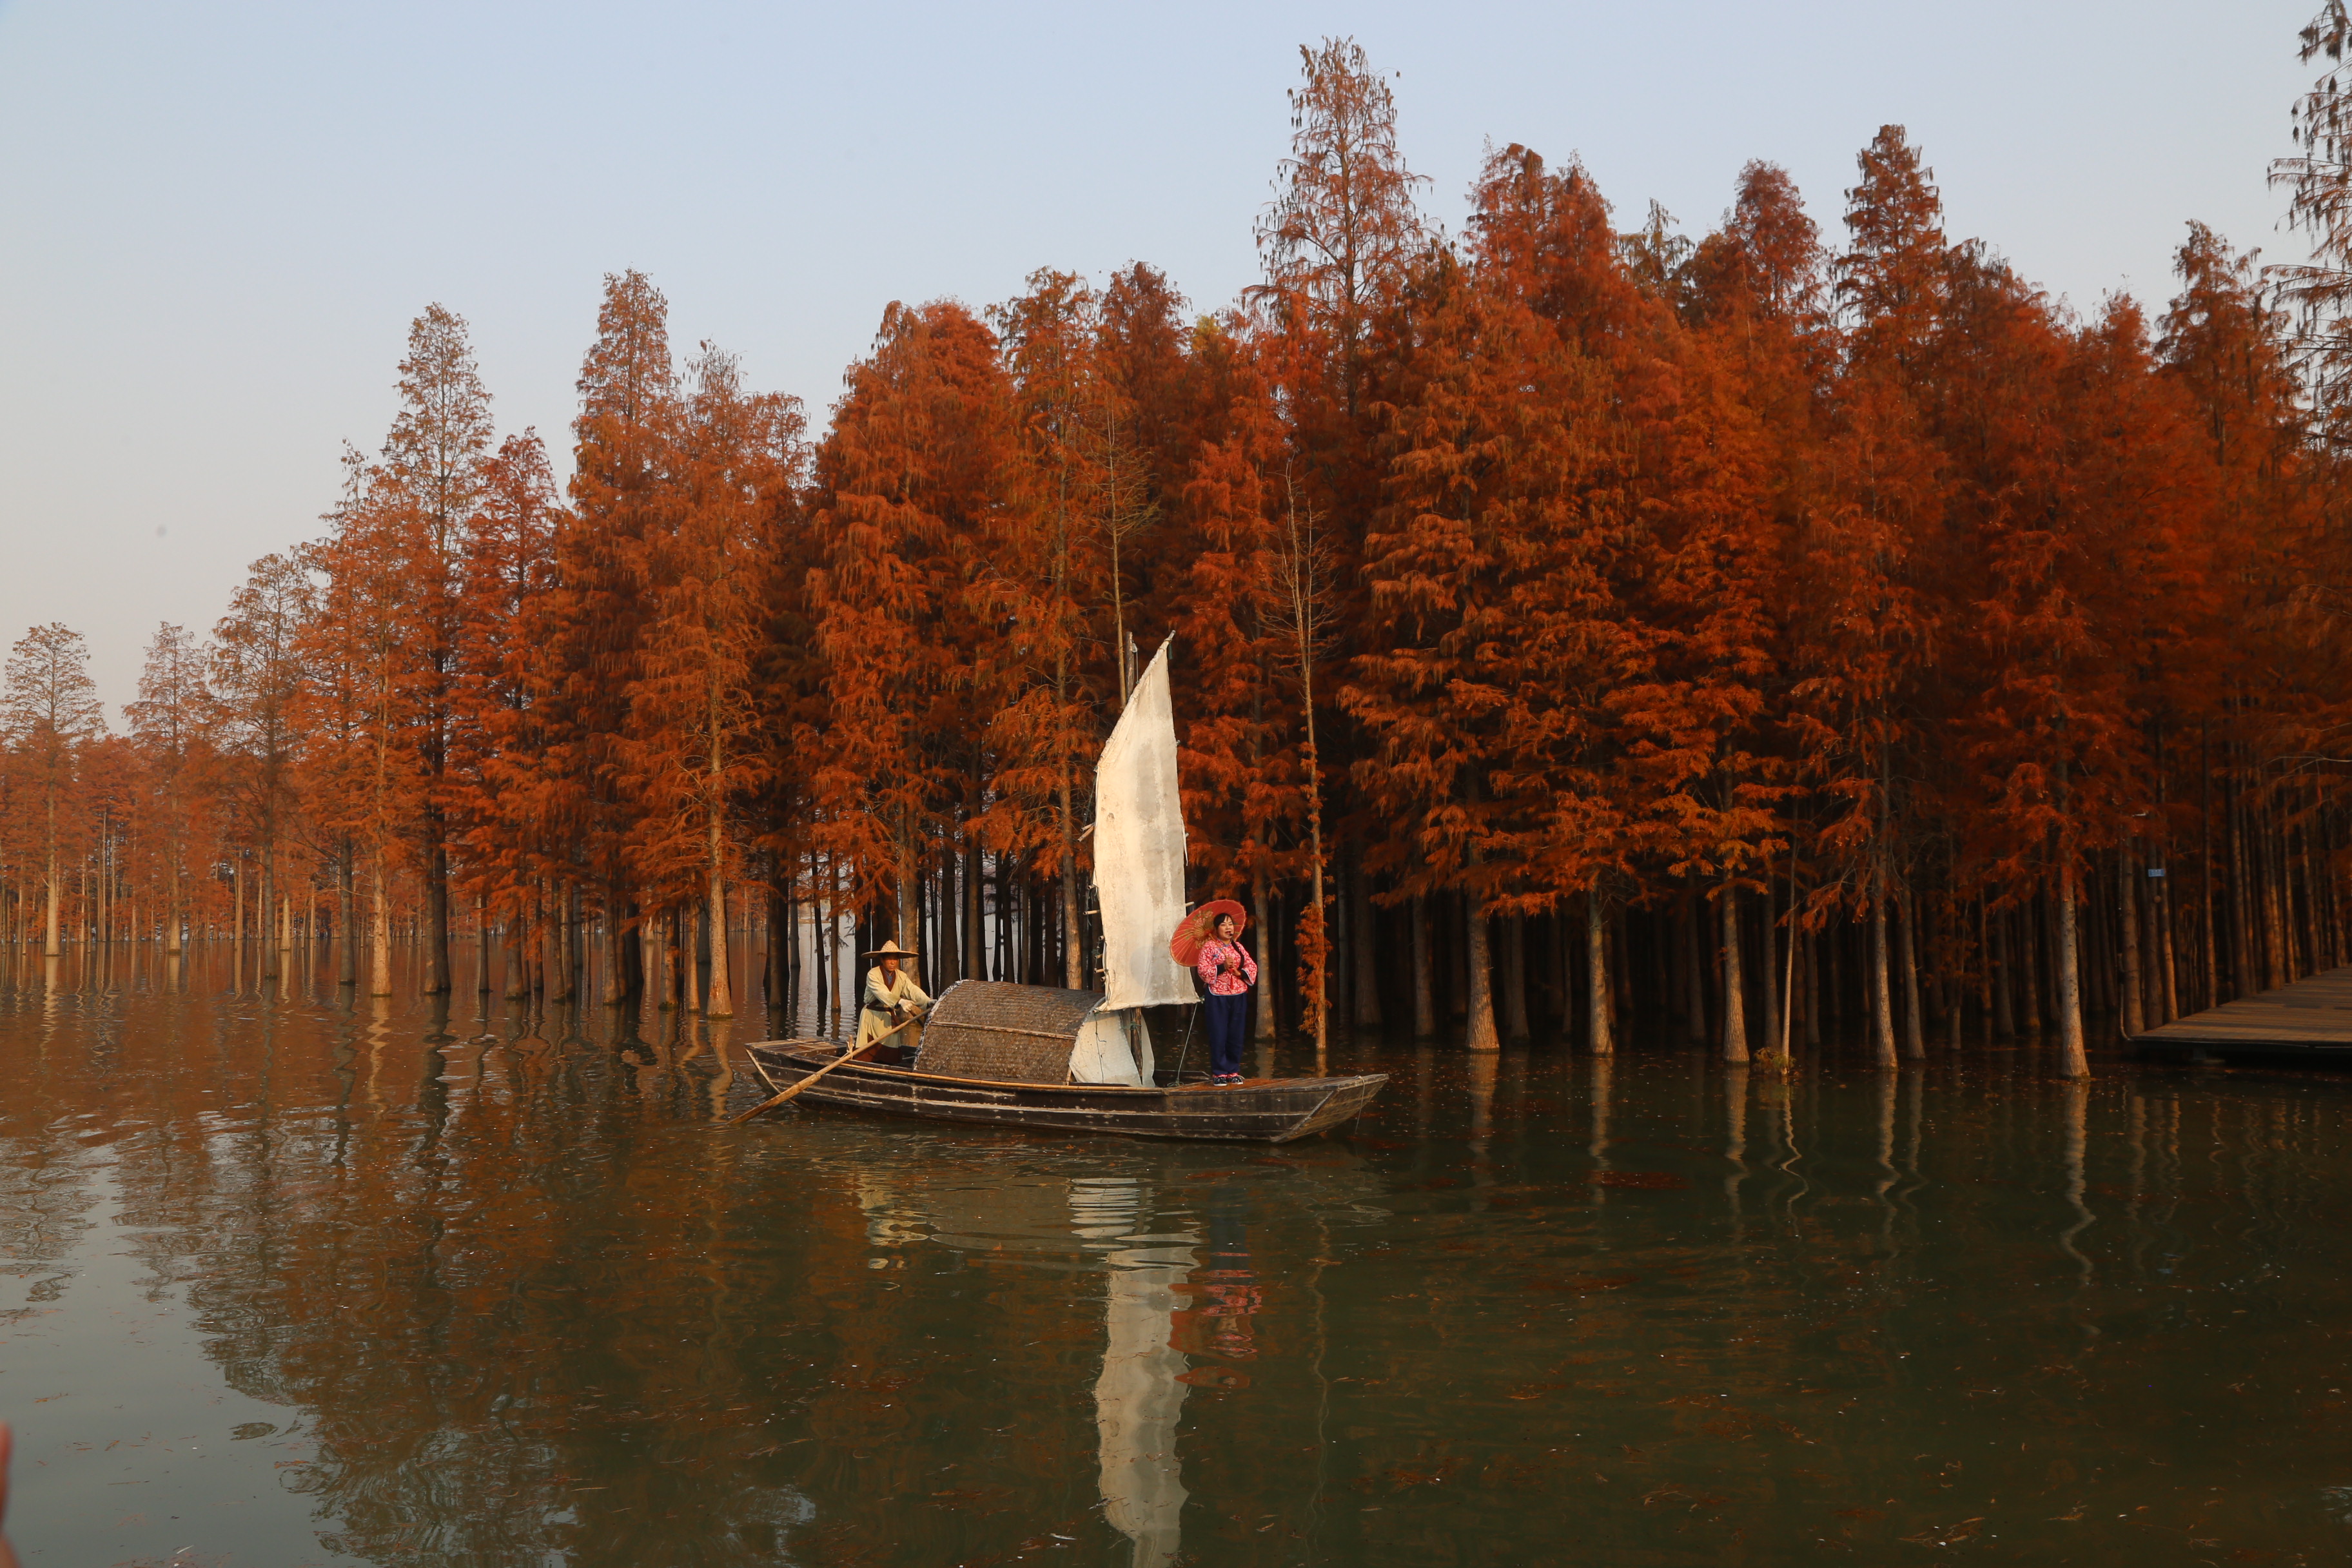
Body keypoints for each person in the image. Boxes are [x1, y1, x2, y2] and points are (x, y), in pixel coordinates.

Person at [1193, 913, 1257, 1086]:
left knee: (1236, 1033)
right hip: (1218, 995)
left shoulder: (1239, 947)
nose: (1229, 928)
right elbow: (1203, 971)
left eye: (1230, 924)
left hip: (1238, 993)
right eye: (1224, 925)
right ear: (1216, 929)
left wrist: (1239, 973)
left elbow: (1251, 965)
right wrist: (1222, 966)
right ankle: (1219, 1072)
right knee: (1219, 1032)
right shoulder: (1209, 947)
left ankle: (1233, 1070)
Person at [856, 939, 932, 1061]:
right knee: (867, 1051)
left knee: (891, 1052)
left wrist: (928, 1002)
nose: (893, 962)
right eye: (889, 959)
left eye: (895, 959)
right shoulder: (873, 974)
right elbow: (882, 992)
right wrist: (900, 1001)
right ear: (882, 960)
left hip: (888, 1016)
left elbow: (912, 990)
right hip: (872, 1017)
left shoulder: (901, 976)